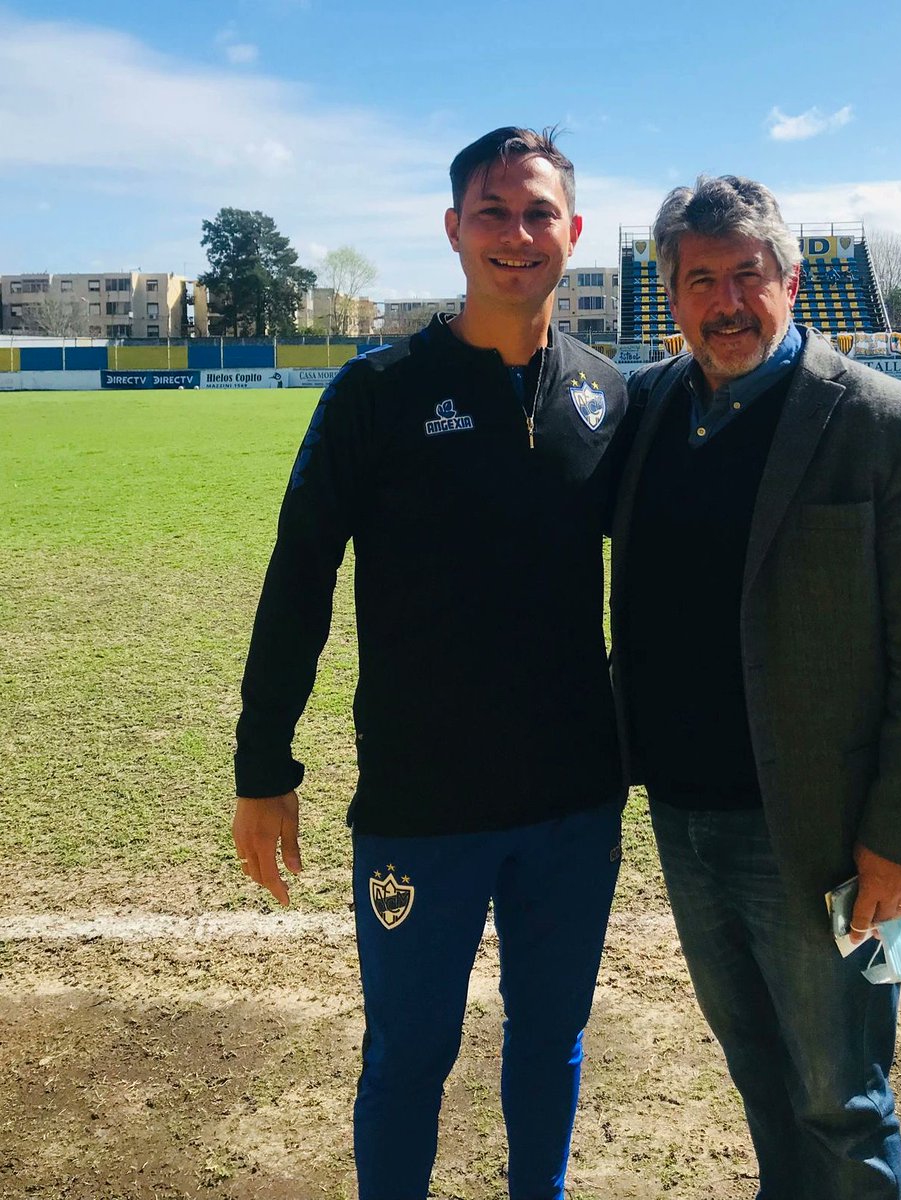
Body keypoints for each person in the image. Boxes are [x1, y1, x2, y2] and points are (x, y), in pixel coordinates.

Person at [231, 127, 628, 1200]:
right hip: (421, 803)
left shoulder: (608, 395)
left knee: (551, 1042)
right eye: (492, 213)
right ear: (454, 228)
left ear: (574, 233)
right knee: (409, 1054)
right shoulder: (379, 391)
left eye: (538, 212)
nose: (516, 234)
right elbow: (300, 573)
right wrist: (262, 764)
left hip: (575, 802)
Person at [609, 176, 901, 1200]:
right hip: (684, 819)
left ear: (791, 278)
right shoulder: (646, 411)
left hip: (819, 840)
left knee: (840, 1101)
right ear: (670, 295)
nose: (726, 302)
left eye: (747, 275)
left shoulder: (889, 425)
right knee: (761, 1081)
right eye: (700, 281)